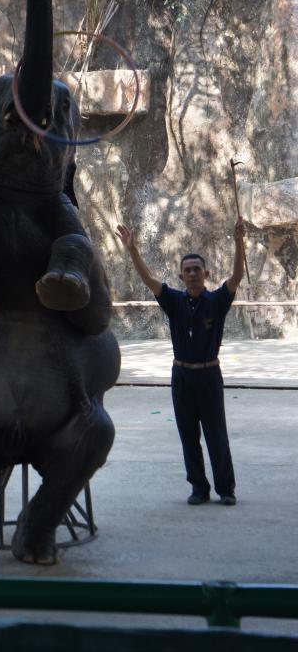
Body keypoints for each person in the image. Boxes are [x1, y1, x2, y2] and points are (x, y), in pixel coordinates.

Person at [116, 217, 246, 506]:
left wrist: (238, 241)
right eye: (187, 270)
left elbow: (237, 277)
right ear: (181, 276)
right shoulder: (173, 301)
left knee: (216, 435)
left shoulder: (217, 301)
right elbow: (149, 279)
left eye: (197, 269)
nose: (192, 274)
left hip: (209, 375)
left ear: (206, 273)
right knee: (189, 436)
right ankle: (198, 489)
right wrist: (132, 250)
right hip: (182, 377)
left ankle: (226, 490)